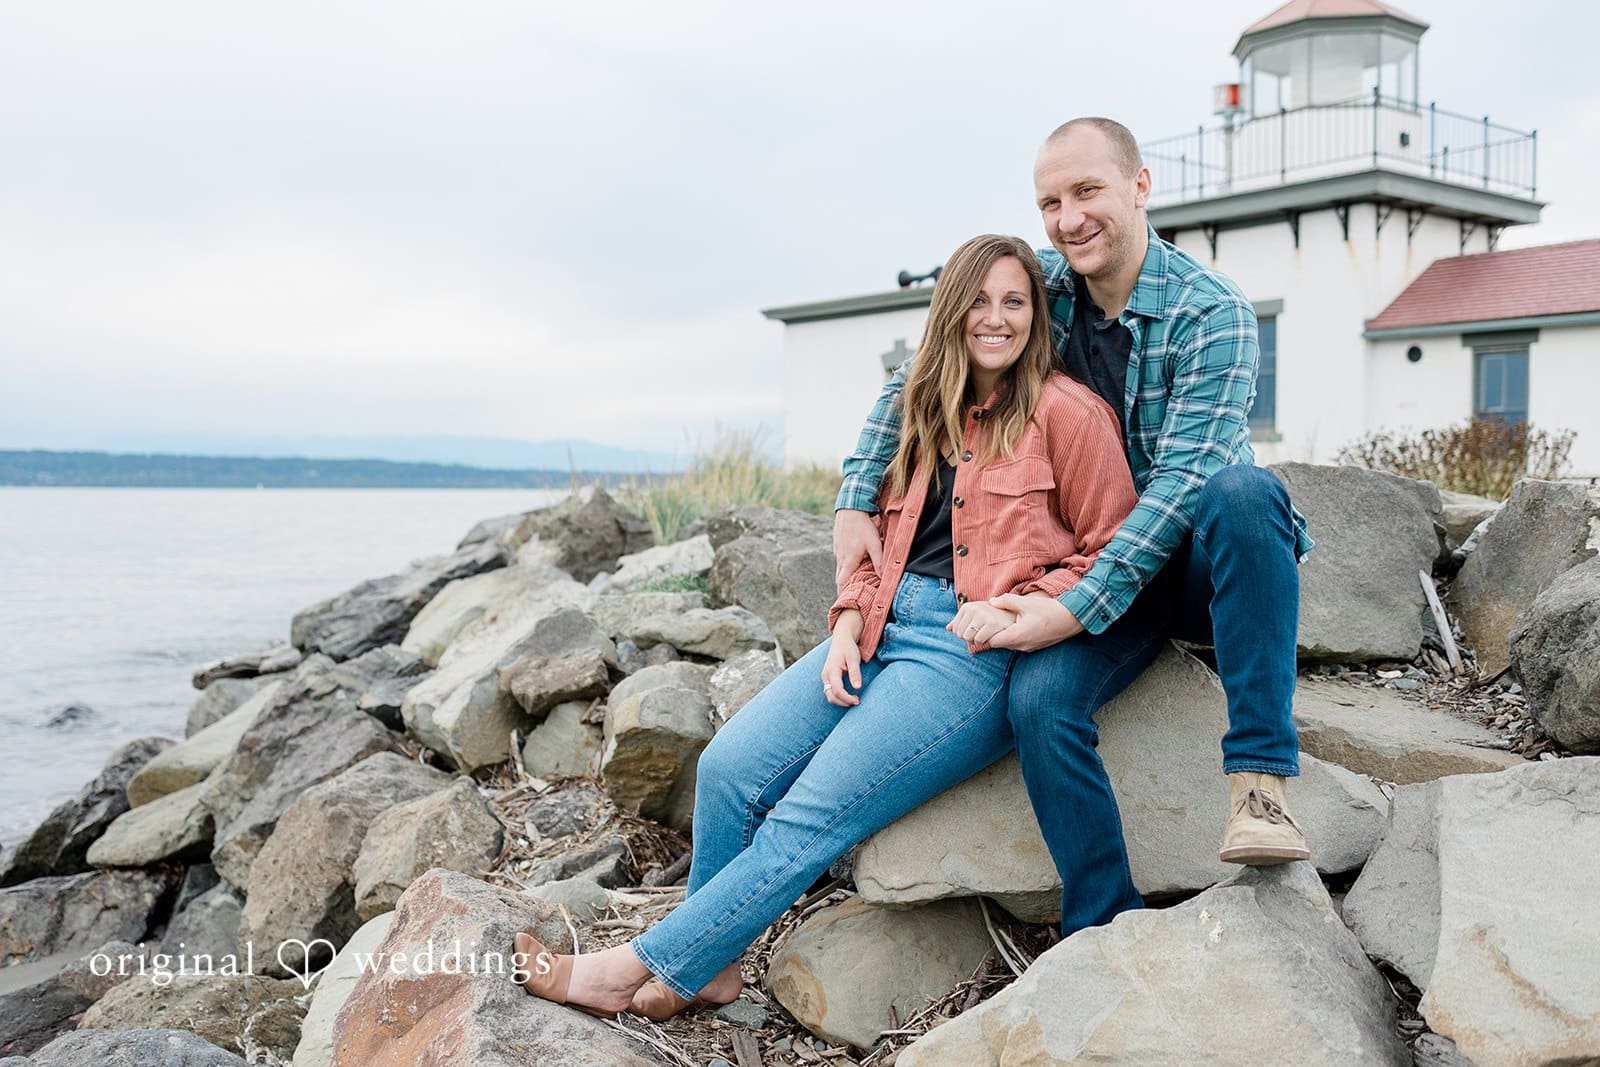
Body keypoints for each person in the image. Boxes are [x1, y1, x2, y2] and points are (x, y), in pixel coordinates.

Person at [511, 233, 1137, 1020]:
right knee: (729, 770)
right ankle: (713, 966)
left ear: (1035, 315)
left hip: (966, 656)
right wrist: (846, 617)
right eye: (978, 300)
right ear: (951, 310)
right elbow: (876, 526)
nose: (997, 318)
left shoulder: (1068, 413)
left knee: (806, 819)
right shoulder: (923, 406)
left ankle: (637, 963)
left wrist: (1028, 603)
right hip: (881, 623)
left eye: (1015, 301)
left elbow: (1113, 548)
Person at [832, 116, 1315, 938]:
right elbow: (927, 371)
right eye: (1050, 201)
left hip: (1195, 564)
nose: (1068, 218)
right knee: (1041, 700)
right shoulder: (1044, 290)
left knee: (1243, 492)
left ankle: (1260, 781)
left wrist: (1069, 608)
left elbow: (1178, 491)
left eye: (1087, 191)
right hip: (1089, 564)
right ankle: (1103, 923)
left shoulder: (1215, 315)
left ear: (1140, 186)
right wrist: (854, 494)